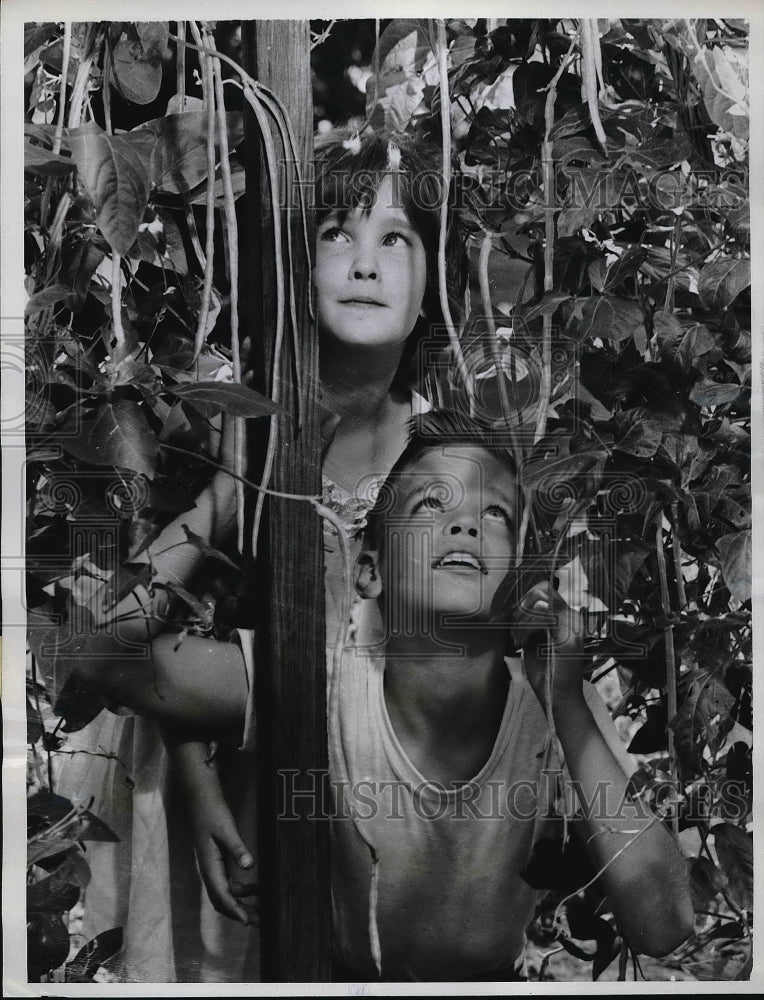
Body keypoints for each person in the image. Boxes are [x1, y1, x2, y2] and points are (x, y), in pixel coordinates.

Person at [30, 130, 467, 981]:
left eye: (396, 240)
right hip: (224, 767)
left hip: (376, 795)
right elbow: (119, 641)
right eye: (337, 235)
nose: (365, 266)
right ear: (294, 271)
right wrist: (235, 489)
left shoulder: (444, 452)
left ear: (430, 290)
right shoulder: (221, 401)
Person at [62, 410, 695, 980]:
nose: (466, 525)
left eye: (495, 513)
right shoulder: (326, 682)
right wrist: (222, 499)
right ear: (370, 569)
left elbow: (662, 926)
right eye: (429, 506)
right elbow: (101, 658)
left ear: (524, 577)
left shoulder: (558, 701)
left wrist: (566, 706)